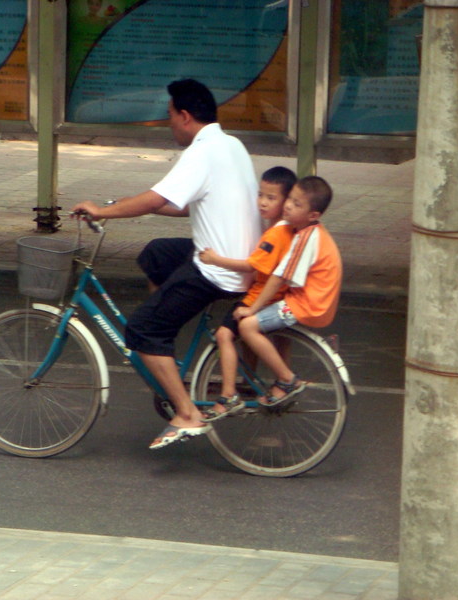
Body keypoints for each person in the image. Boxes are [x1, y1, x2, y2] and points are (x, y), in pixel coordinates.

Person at [71, 79, 262, 449]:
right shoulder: (230, 144)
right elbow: (183, 203)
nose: (168, 123)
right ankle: (167, 342)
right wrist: (127, 204)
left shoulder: (201, 152)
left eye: (170, 116)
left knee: (142, 329)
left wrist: (104, 210)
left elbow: (157, 197)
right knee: (156, 253)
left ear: (186, 116)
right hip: (238, 259)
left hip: (218, 269)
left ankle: (187, 412)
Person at [197, 166, 297, 421]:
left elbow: (251, 266)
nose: (262, 202)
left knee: (223, 335)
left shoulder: (276, 233)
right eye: (260, 195)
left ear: (286, 202)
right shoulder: (285, 230)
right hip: (271, 296)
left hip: (259, 297)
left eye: (271, 198)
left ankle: (229, 395)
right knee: (243, 335)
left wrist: (215, 259)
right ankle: (248, 380)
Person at [233, 176, 342, 406]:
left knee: (248, 326)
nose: (288, 206)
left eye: (297, 204)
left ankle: (286, 379)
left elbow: (278, 277)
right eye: (290, 199)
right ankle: (280, 380)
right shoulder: (310, 233)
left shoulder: (306, 238)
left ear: (313, 215)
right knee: (274, 331)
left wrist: (252, 308)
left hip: (307, 305)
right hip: (310, 301)